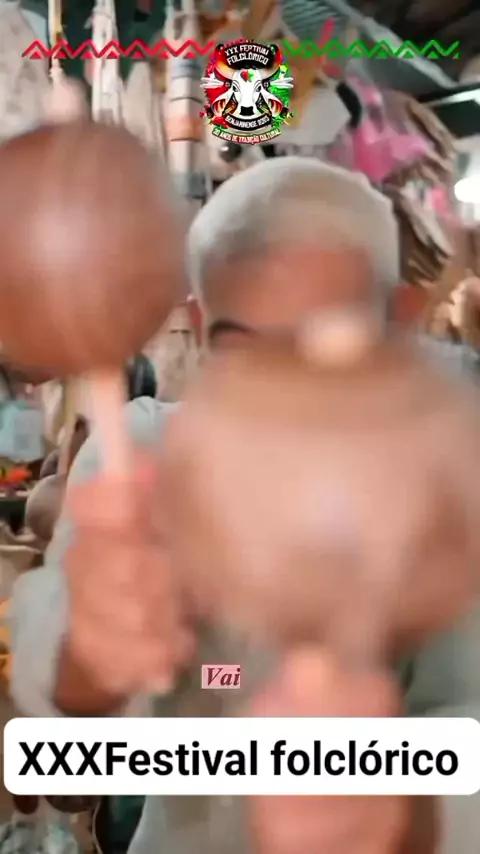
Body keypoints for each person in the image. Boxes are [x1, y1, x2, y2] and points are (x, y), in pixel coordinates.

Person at [8, 157, 480, 854]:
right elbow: (64, 773)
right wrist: (88, 665)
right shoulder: (139, 457)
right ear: (201, 326)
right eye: (247, 347)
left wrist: (399, 806)